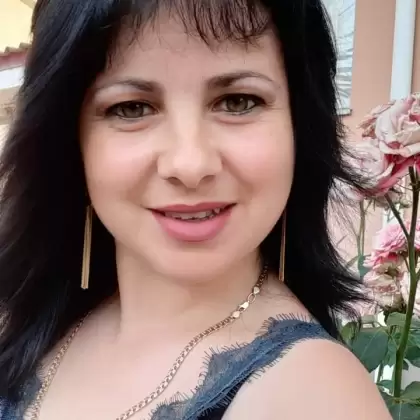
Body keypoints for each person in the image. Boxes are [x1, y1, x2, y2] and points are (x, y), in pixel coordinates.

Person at [0, 0, 391, 419]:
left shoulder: (312, 397)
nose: (190, 165)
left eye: (238, 101)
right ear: (68, 141)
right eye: (132, 108)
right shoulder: (37, 319)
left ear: (300, 127)